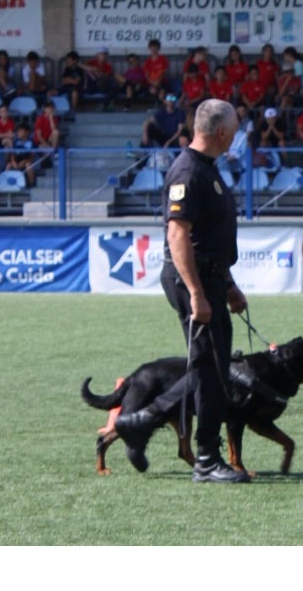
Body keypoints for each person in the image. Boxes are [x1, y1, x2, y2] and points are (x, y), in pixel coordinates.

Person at [112, 99, 251, 484]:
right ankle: (206, 459)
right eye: (235, 129)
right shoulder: (188, 172)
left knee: (212, 368)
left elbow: (209, 241)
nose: (237, 136)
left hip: (209, 279)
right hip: (192, 281)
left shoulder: (207, 170)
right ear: (220, 132)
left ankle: (141, 422)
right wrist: (196, 292)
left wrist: (228, 285)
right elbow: (178, 235)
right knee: (209, 373)